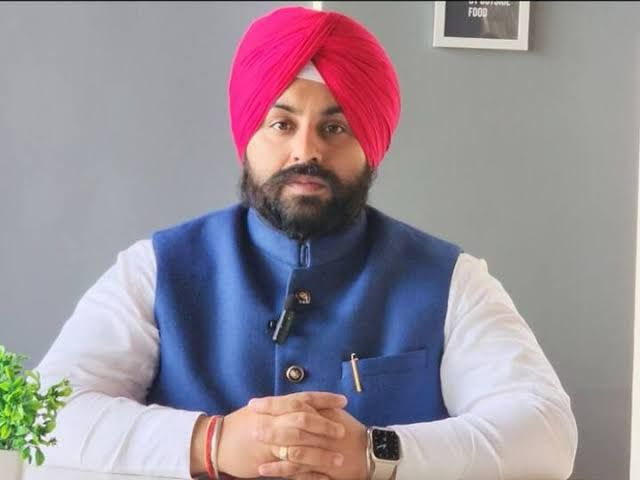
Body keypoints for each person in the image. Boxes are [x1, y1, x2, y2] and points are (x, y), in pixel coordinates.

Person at [36, 5, 578, 480]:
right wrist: (211, 442)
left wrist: (375, 453)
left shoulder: (450, 280)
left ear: (370, 145)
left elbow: (547, 433)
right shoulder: (157, 268)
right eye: (281, 124)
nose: (306, 151)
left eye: (335, 128)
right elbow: (44, 413)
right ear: (248, 135)